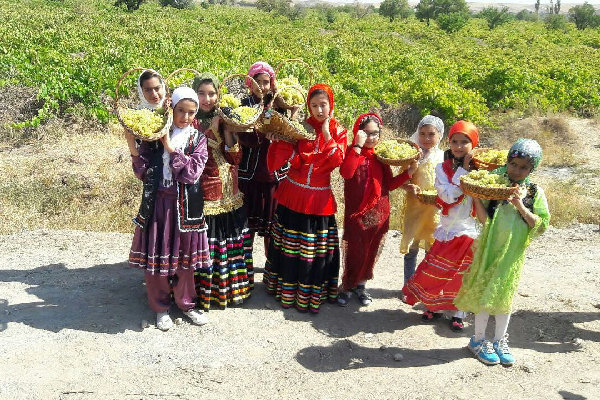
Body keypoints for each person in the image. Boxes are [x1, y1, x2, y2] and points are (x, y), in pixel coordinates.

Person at [455, 139, 550, 366]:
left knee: (504, 296)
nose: (517, 171)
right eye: (514, 164)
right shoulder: (495, 185)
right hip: (490, 248)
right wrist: (476, 197)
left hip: (512, 253)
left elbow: (540, 225)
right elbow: (484, 220)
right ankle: (477, 340)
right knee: (484, 293)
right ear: (508, 162)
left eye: (524, 167)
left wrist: (520, 205)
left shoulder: (534, 191)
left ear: (532, 169)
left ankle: (499, 340)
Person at [127, 84, 210, 331]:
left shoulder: (199, 139)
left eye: (191, 112)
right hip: (159, 204)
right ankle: (161, 308)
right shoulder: (153, 136)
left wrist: (170, 148)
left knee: (185, 261)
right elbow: (141, 170)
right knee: (158, 259)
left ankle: (186, 304)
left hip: (186, 208)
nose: (185, 117)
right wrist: (132, 142)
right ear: (171, 108)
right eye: (181, 110)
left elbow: (191, 174)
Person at [263, 83, 347, 313]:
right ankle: (284, 291)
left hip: (318, 199)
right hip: (293, 192)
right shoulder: (301, 126)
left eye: (323, 105)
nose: (319, 110)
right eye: (314, 105)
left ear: (331, 105)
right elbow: (286, 149)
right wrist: (276, 138)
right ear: (308, 107)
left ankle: (309, 296)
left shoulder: (339, 131)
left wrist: (328, 133)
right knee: (289, 246)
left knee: (312, 250)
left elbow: (337, 160)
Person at [402, 120, 482, 331]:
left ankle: (458, 312)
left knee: (460, 272)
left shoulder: (482, 171)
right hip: (447, 227)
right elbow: (447, 196)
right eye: (454, 141)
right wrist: (464, 170)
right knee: (437, 269)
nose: (458, 146)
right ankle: (433, 306)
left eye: (464, 142)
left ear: (473, 144)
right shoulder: (441, 168)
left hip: (469, 228)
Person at [338, 113, 417, 306]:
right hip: (356, 214)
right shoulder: (352, 152)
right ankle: (347, 285)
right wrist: (357, 145)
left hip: (379, 213)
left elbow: (388, 185)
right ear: (358, 134)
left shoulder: (381, 158)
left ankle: (361, 286)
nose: (371, 138)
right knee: (354, 250)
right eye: (366, 133)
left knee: (370, 250)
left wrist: (409, 173)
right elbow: (346, 173)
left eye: (375, 133)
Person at [191, 73, 253, 311]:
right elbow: (196, 153)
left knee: (230, 241)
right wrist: (212, 130)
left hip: (230, 189)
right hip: (205, 191)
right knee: (210, 243)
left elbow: (235, 158)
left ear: (219, 95)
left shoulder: (226, 118)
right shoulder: (190, 119)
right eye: (202, 94)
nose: (207, 99)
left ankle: (233, 290)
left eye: (212, 94)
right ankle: (205, 294)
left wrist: (227, 130)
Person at [238, 62, 290, 254]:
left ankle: (271, 264)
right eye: (257, 81)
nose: (261, 86)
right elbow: (242, 136)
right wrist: (260, 135)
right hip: (249, 172)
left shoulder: (278, 105)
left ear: (272, 84)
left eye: (266, 82)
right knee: (247, 222)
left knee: (272, 224)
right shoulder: (243, 106)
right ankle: (245, 262)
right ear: (249, 83)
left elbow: (288, 131)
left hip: (271, 172)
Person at [400, 116, 444, 291]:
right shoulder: (412, 157)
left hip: (434, 211)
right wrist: (409, 188)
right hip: (414, 209)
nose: (426, 139)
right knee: (411, 251)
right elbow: (401, 181)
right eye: (422, 134)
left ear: (440, 135)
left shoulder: (443, 158)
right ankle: (408, 286)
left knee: (431, 251)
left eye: (431, 134)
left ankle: (424, 287)